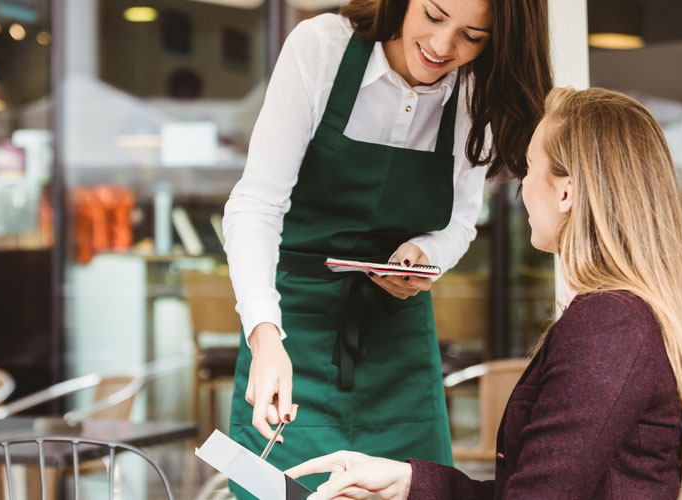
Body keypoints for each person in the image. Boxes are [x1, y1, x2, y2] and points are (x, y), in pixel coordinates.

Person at [287, 87, 682, 500]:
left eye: (530, 168)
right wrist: (407, 483)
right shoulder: (620, 318)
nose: (522, 186)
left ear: (566, 192)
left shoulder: (610, 325)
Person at [221, 0, 552, 494]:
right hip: (287, 335)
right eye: (435, 16)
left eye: (473, 36)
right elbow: (255, 206)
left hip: (398, 343)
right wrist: (264, 336)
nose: (443, 47)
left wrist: (423, 254)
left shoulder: (476, 91)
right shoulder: (321, 49)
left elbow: (460, 224)